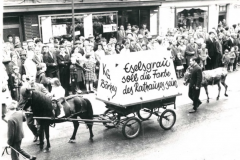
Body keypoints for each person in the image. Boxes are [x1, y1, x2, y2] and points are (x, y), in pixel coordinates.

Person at [17, 75, 51, 144]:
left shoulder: (40, 86)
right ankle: (36, 134)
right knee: (29, 123)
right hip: (29, 109)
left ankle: (41, 137)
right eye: (31, 80)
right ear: (28, 80)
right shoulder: (24, 89)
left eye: (33, 80)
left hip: (39, 109)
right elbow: (22, 99)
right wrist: (21, 107)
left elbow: (47, 94)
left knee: (40, 124)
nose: (32, 82)